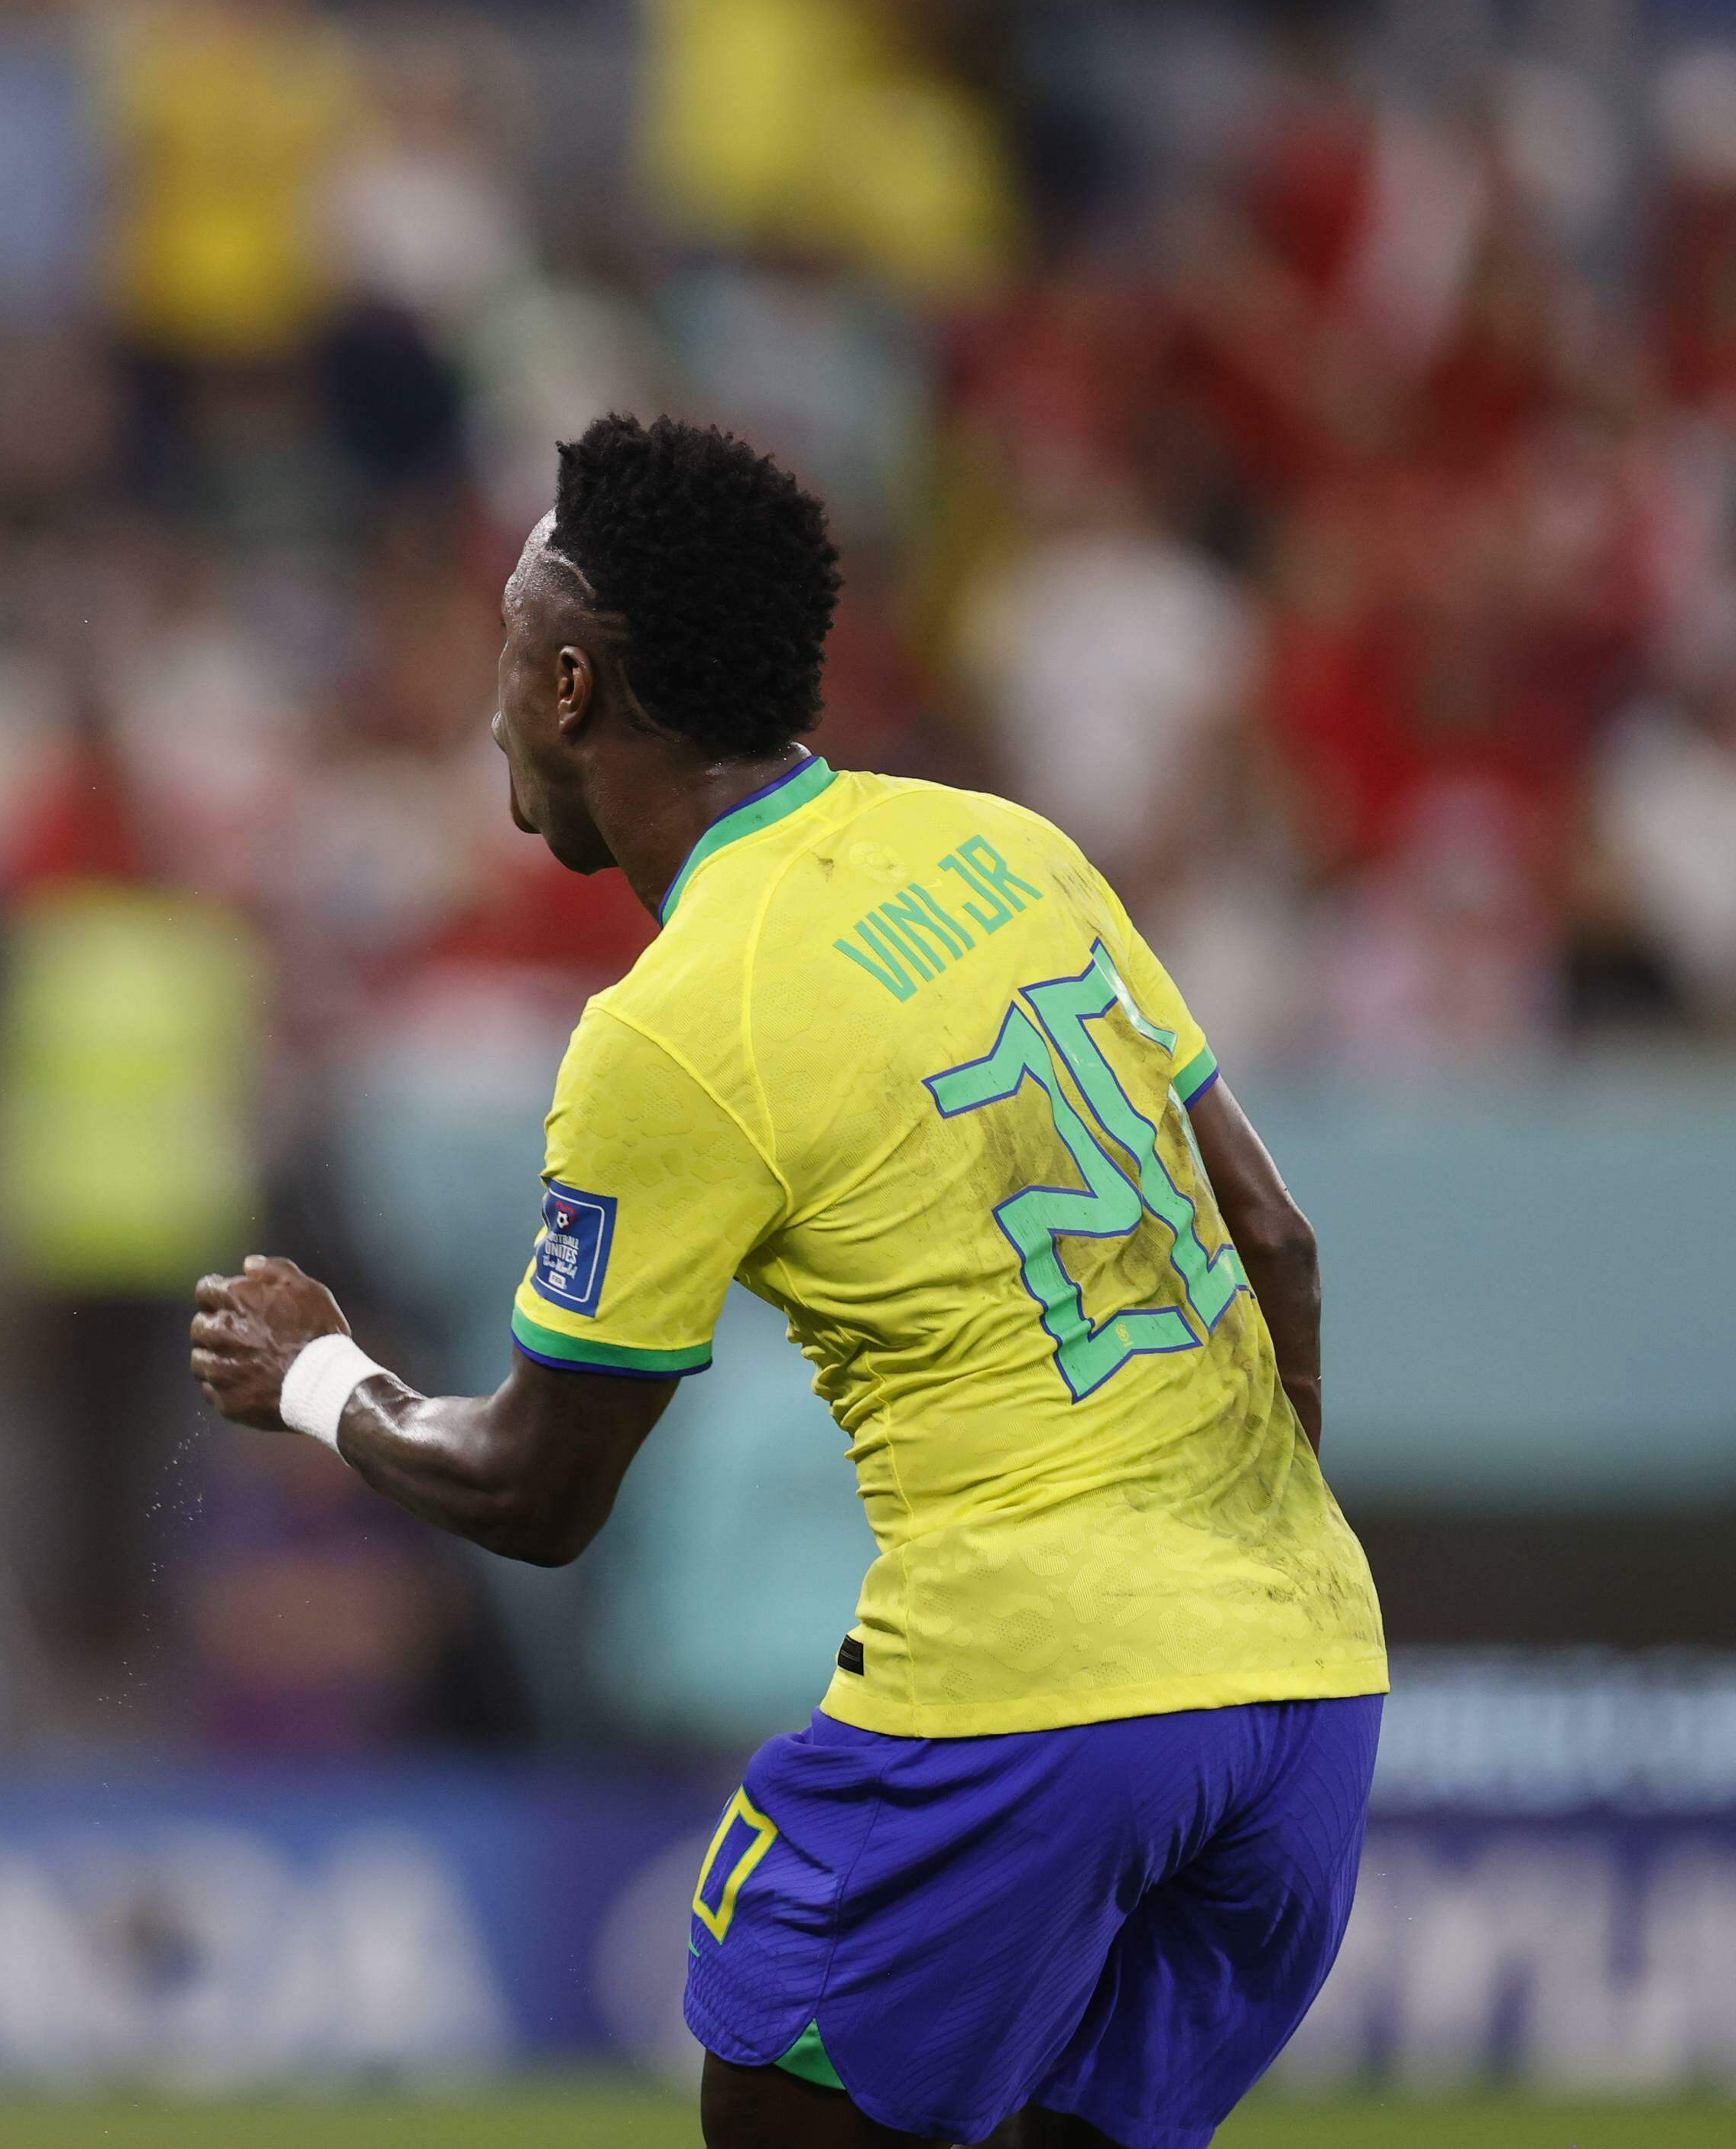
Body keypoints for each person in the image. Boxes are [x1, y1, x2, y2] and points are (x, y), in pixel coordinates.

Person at [190, 415, 1387, 2149]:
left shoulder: (675, 1030)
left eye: (510, 655)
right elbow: (1277, 1239)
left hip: (1025, 1688)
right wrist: (1239, 1583)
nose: (494, 703)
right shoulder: (1007, 846)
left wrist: (316, 1378)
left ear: (579, 686)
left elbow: (539, 1492)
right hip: (1306, 1682)